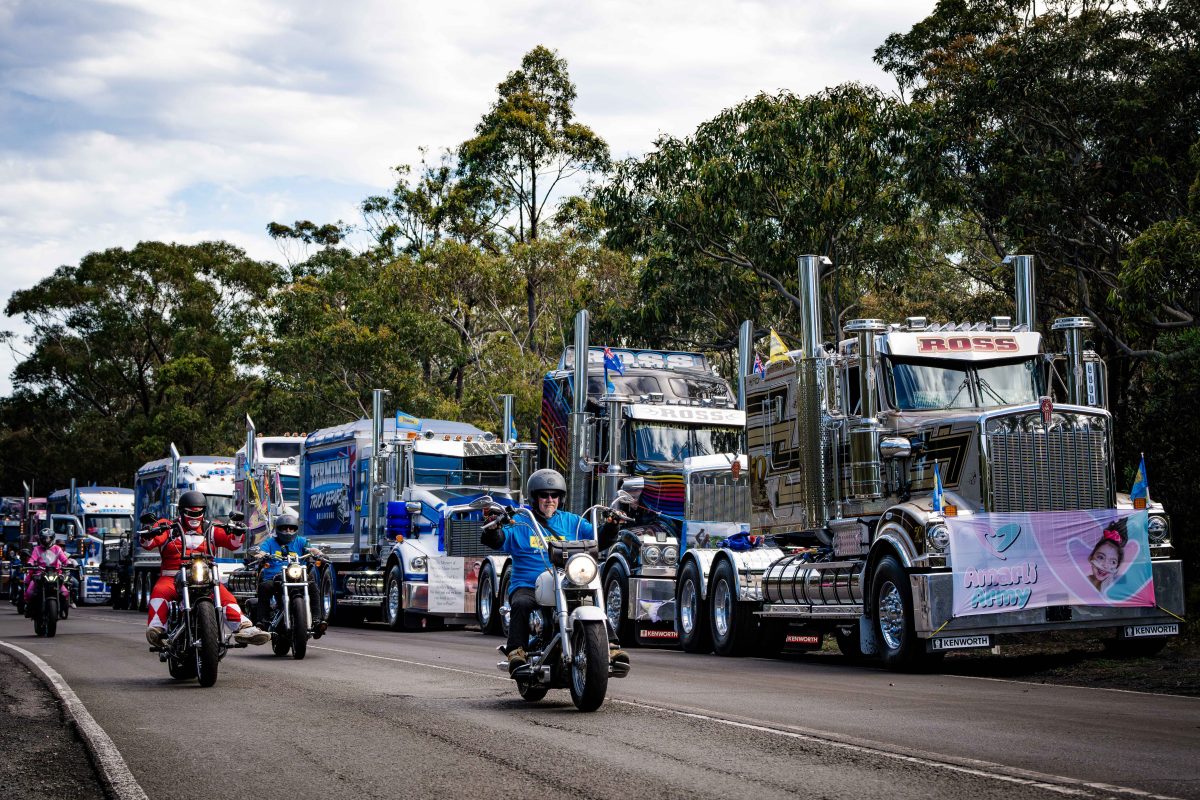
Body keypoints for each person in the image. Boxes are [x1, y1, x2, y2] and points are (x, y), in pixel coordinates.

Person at [481, 468, 625, 673]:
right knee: (521, 603)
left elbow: (597, 539)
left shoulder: (572, 521)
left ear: (561, 497)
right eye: (544, 495)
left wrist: (612, 526)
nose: (550, 499)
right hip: (528, 584)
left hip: (568, 581)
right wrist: (492, 528)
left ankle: (609, 646)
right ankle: (516, 652)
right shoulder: (521, 521)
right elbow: (498, 540)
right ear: (534, 497)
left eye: (554, 495)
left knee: (592, 599)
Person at [141, 490, 270, 647]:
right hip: (173, 576)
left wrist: (237, 533)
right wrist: (148, 534)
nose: (195, 517)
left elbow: (233, 543)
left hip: (205, 575)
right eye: (190, 513)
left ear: (204, 511)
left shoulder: (212, 527)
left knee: (225, 595)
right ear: (181, 511)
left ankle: (245, 627)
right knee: (160, 591)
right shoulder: (167, 526)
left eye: (199, 512)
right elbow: (149, 543)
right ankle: (157, 629)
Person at [251, 513, 325, 632]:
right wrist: (260, 555)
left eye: (291, 528)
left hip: (297, 575)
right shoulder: (270, 542)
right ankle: (262, 622)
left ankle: (317, 620)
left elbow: (310, 548)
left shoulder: (301, 541)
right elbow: (262, 551)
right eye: (284, 528)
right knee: (264, 587)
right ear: (278, 529)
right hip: (275, 577)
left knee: (313, 587)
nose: (288, 531)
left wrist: (318, 553)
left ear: (296, 529)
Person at [23, 528, 72, 616]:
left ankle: (62, 609)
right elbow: (32, 559)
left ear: (52, 538)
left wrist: (70, 564)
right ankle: (29, 608)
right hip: (40, 573)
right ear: (40, 539)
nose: (46, 540)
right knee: (29, 592)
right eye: (44, 538)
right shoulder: (37, 549)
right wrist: (30, 564)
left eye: (48, 538)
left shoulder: (57, 549)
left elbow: (64, 560)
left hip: (55, 573)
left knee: (65, 593)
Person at [1088, 519, 1127, 592]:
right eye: (1101, 557)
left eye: (1113, 562)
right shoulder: (1081, 582)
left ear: (1117, 567)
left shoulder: (1119, 588)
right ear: (1090, 558)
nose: (1105, 565)